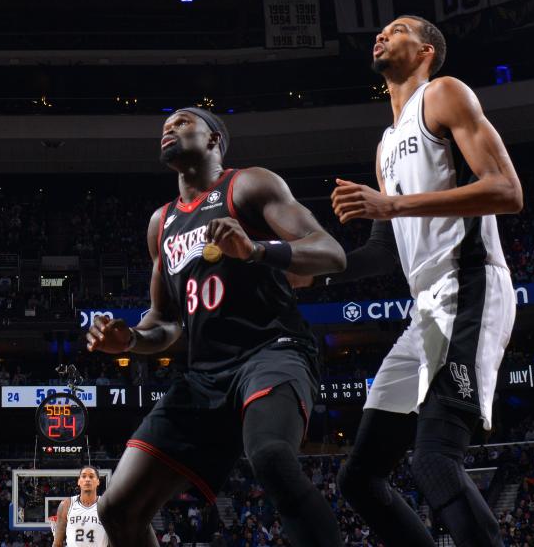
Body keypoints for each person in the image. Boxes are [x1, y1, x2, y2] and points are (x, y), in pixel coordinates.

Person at [87, 108, 347, 547]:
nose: (169, 127)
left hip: (272, 350)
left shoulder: (248, 184)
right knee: (116, 509)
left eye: (183, 122)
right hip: (206, 375)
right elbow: (166, 321)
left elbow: (331, 252)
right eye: (164, 124)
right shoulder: (161, 223)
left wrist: (256, 250)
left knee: (270, 456)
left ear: (213, 140)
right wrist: (129, 338)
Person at [328, 15, 522, 547]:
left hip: (470, 287)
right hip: (425, 310)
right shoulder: (387, 142)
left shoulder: (443, 95)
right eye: (380, 30)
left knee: (435, 459)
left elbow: (506, 190)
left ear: (427, 50)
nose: (381, 34)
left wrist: (391, 203)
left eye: (396, 29)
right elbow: (381, 250)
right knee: (359, 478)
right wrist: (310, 270)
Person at [51, 467, 106, 547]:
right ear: (79, 481)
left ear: (98, 481)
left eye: (91, 476)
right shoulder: (66, 505)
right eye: (83, 476)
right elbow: (57, 543)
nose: (87, 479)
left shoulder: (105, 505)